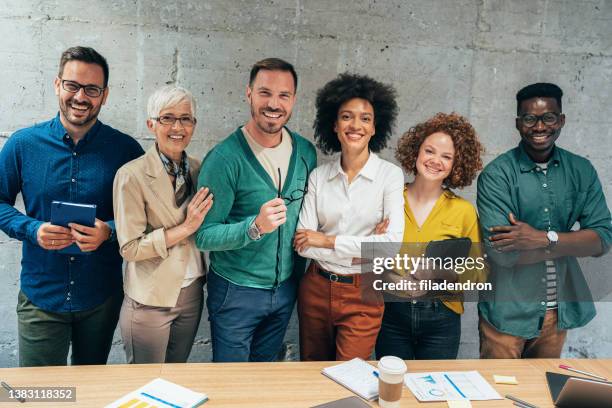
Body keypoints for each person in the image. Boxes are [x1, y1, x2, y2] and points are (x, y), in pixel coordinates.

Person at [0, 46, 144, 367]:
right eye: (72, 86)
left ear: (104, 95)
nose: (81, 97)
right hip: (41, 297)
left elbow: (147, 214)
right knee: (40, 397)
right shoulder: (22, 145)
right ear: (57, 85)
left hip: (100, 300)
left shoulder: (127, 150)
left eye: (92, 89)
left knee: (89, 395)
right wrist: (32, 229)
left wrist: (111, 231)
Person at [477, 82, 612, 358]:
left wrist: (542, 238)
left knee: (542, 396)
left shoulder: (581, 170)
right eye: (530, 118)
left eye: (548, 117)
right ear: (518, 123)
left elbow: (603, 239)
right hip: (507, 313)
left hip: (557, 313)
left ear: (561, 120)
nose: (539, 127)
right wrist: (571, 242)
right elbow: (501, 254)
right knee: (497, 398)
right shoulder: (497, 175)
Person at [195, 58, 317, 362]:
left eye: (283, 95)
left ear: (293, 100)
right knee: (232, 383)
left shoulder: (305, 152)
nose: (274, 104)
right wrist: (255, 227)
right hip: (236, 291)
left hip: (286, 288)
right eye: (265, 93)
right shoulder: (224, 158)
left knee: (264, 379)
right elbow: (203, 235)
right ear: (248, 93)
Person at [294, 73, 404, 361]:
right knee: (312, 372)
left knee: (350, 377)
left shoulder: (389, 176)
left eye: (365, 118)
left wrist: (328, 241)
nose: (356, 125)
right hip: (316, 287)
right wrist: (366, 249)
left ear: (375, 126)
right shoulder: (319, 176)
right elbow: (304, 243)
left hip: (364, 291)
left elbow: (391, 246)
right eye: (347, 117)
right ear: (334, 124)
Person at [374, 112, 486, 360]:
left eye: (447, 156)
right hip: (391, 312)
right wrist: (389, 276)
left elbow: (478, 275)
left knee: (435, 392)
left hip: (442, 318)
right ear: (416, 152)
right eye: (430, 151)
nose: (436, 161)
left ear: (457, 165)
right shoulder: (389, 200)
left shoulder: (464, 212)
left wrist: (438, 272)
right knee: (391, 390)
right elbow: (365, 258)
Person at [113, 86, 212, 363]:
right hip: (150, 298)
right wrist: (185, 227)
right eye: (167, 118)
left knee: (174, 378)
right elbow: (130, 248)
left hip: (192, 294)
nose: (177, 127)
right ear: (151, 124)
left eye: (186, 118)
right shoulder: (130, 175)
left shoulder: (199, 168)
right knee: (145, 386)